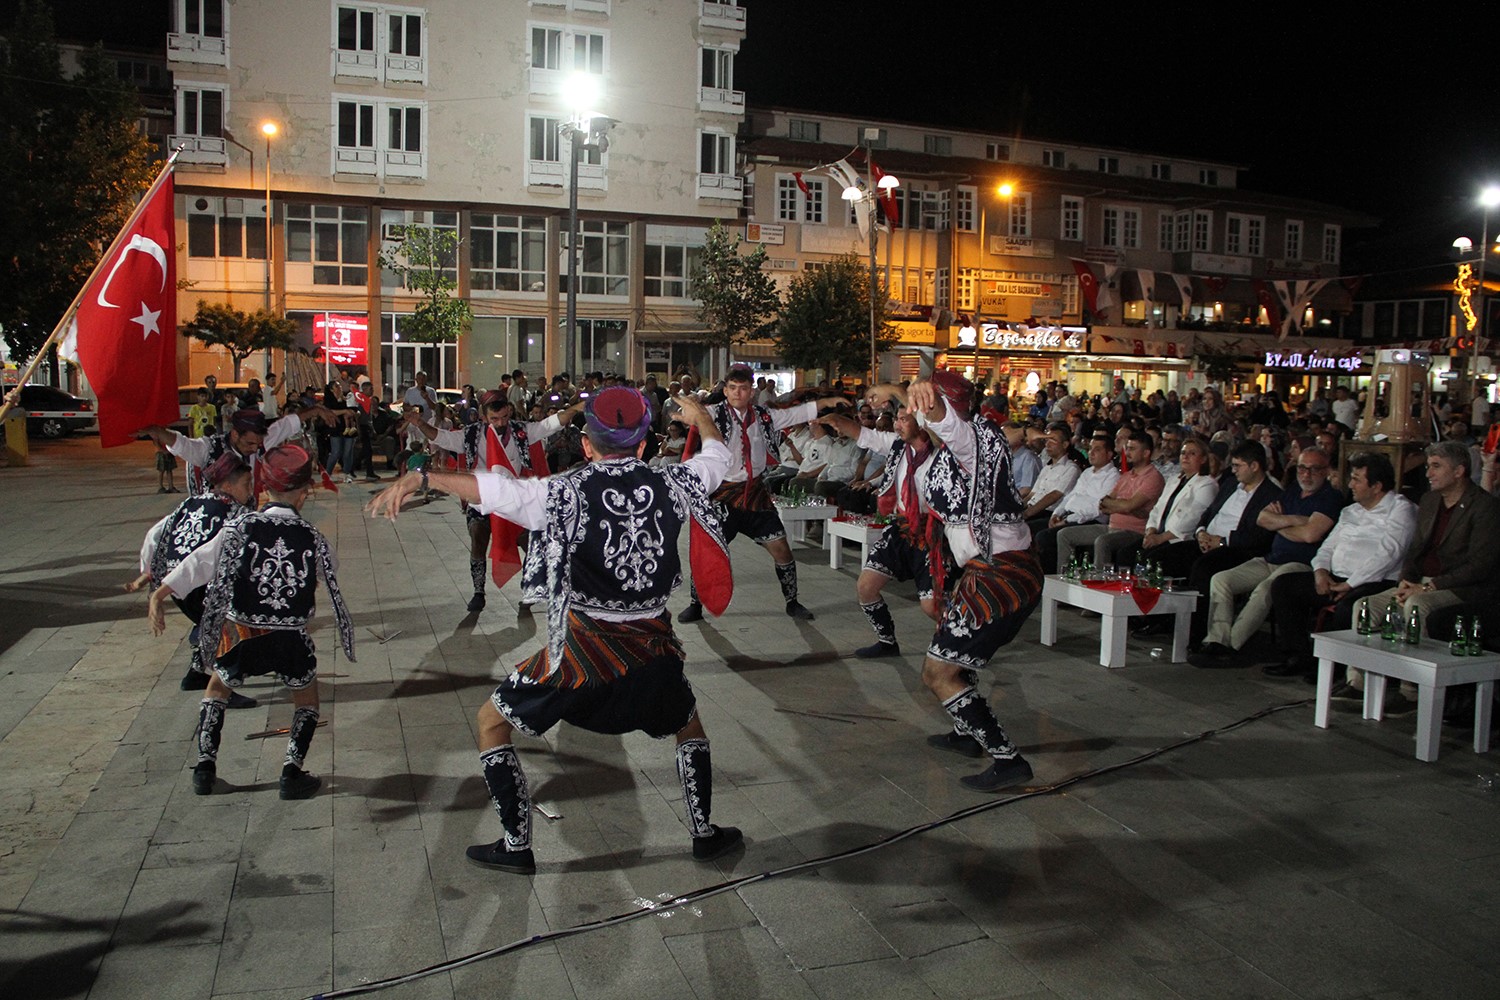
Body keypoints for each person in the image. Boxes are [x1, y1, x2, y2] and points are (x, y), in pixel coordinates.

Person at [366, 388, 743, 872]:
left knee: (490, 722)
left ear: (587, 445)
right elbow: (719, 456)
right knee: (688, 725)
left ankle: (516, 844)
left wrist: (422, 476)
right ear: (645, 444)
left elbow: (498, 492)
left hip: (581, 655)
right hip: (653, 651)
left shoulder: (562, 493)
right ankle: (704, 833)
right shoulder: (677, 483)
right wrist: (700, 416)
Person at [150, 445, 355, 799]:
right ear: (305, 492)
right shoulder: (312, 538)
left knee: (216, 690)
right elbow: (330, 569)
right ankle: (291, 773)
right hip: (290, 639)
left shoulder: (239, 527)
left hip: (243, 632)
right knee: (306, 700)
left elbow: (199, 562)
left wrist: (160, 594)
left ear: (264, 489)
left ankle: (205, 767)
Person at [902, 372, 1044, 792]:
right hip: (984, 570)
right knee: (954, 659)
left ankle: (1008, 759)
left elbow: (956, 432)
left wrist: (936, 410)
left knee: (938, 672)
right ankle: (967, 734)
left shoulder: (978, 439)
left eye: (926, 404)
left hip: (1002, 574)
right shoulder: (951, 448)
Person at [677, 365, 846, 623]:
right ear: (725, 389)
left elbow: (793, 414)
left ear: (752, 391)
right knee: (709, 550)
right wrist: (687, 411)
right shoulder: (712, 414)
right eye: (732, 388)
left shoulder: (764, 416)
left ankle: (792, 601)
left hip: (755, 494)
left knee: (781, 548)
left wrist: (825, 402)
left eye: (743, 388)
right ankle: (695, 604)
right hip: (723, 496)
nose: (737, 393)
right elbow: (691, 415)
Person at [1343, 441, 1500, 701]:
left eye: (1436, 467)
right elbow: (1414, 550)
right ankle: (1358, 682)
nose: (1428, 473)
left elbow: (1479, 565)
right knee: (1365, 606)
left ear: (1459, 471)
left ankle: (1412, 690)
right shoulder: (1429, 501)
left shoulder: (1484, 507)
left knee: (1417, 605)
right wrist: (1406, 581)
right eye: (1428, 466)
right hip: (1420, 582)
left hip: (1458, 587)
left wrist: (1428, 587)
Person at [407, 392, 584, 612]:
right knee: (478, 538)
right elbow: (441, 437)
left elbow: (552, 423)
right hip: (482, 498)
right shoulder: (471, 435)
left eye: (503, 418)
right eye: (494, 419)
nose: (500, 424)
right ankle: (478, 592)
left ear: (509, 412)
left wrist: (580, 406)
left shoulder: (521, 431)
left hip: (513, 499)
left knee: (530, 543)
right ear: (484, 416)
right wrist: (419, 422)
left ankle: (528, 590)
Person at [1263, 452, 1417, 679]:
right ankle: (1298, 655)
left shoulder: (1401, 509)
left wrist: (1351, 584)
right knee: (1284, 586)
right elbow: (1326, 548)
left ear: (1376, 486)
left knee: (1348, 607)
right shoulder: (1350, 511)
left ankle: (1335, 668)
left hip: (1375, 582)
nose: (1350, 484)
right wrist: (1320, 572)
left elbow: (1389, 554)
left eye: (1356, 479)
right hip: (1336, 578)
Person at [1187, 445, 1343, 667]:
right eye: (1302, 468)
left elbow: (1310, 535)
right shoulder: (1291, 491)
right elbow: (1262, 519)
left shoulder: (1330, 498)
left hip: (1300, 564)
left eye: (1314, 469)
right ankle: (1216, 640)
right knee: (1221, 580)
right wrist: (1297, 520)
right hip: (1271, 558)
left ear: (1326, 470)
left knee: (1265, 589)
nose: (1306, 474)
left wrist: (1279, 523)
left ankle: (1231, 645)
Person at [127, 452, 257, 708]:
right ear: (228, 486)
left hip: (179, 588)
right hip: (202, 587)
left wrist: (150, 574)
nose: (251, 490)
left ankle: (196, 674)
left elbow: (154, 535)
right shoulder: (234, 512)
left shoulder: (189, 503)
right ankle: (222, 691)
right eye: (247, 485)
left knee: (211, 622)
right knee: (235, 627)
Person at [823, 399, 947, 658]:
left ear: (922, 422)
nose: (897, 425)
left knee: (930, 606)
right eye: (897, 419)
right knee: (866, 587)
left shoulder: (941, 452)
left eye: (904, 419)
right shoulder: (897, 446)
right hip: (900, 529)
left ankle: (959, 646)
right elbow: (864, 435)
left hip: (932, 535)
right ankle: (887, 642)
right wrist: (836, 419)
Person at [142, 404, 336, 501]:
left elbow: (285, 425)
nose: (254, 448)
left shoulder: (260, 443)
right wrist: (157, 431)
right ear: (235, 434)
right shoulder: (209, 448)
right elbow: (182, 444)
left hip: (244, 521)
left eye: (257, 444)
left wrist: (316, 410)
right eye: (250, 443)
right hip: (212, 525)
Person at [1055, 430, 1163, 572]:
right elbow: (1104, 503)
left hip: (1134, 531)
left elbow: (1130, 505)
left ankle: (1098, 583)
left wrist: (1124, 506)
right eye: (1127, 448)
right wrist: (1124, 507)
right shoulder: (1126, 476)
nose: (1127, 452)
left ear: (1146, 453)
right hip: (1111, 526)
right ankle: (1064, 579)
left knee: (1102, 541)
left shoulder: (1153, 477)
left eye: (1132, 449)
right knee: (1064, 535)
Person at [1034, 436, 1120, 573]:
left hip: (1088, 520)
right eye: (1090, 448)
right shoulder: (1087, 472)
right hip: (1068, 515)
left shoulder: (1113, 476)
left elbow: (1097, 507)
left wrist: (1067, 520)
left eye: (1097, 449)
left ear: (1109, 454)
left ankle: (1055, 576)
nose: (1091, 453)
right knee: (1032, 528)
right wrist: (1057, 513)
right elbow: (1070, 496)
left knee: (1045, 537)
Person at [1020, 423, 1085, 532]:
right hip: (1032, 508)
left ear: (1065, 444)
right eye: (1047, 441)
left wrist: (1026, 514)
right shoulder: (1046, 468)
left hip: (1048, 512)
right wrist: (1018, 507)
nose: (1048, 445)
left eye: (1053, 441)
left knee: (1022, 528)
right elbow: (1032, 494)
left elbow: (1054, 496)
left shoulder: (1071, 468)